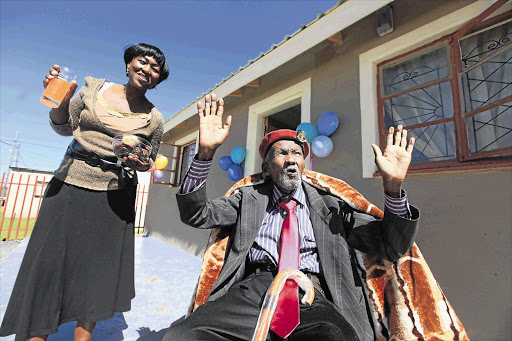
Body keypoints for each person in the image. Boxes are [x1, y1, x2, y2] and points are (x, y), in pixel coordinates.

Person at [164, 93, 420, 341]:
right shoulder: (248, 199)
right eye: (281, 153)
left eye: (297, 153)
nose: (291, 159)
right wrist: (204, 154)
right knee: (182, 335)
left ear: (304, 164)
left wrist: (393, 188)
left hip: (314, 291)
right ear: (266, 166)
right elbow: (196, 214)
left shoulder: (333, 205)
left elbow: (391, 244)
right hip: (255, 287)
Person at [0, 43, 169, 341]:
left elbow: (148, 161)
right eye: (143, 62)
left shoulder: (154, 119)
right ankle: (35, 334)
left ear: (157, 80)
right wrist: (62, 101)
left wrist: (139, 160)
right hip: (69, 182)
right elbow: (64, 127)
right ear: (129, 64)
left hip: (115, 194)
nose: (148, 70)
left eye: (156, 69)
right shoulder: (93, 89)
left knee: (97, 270)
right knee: (48, 263)